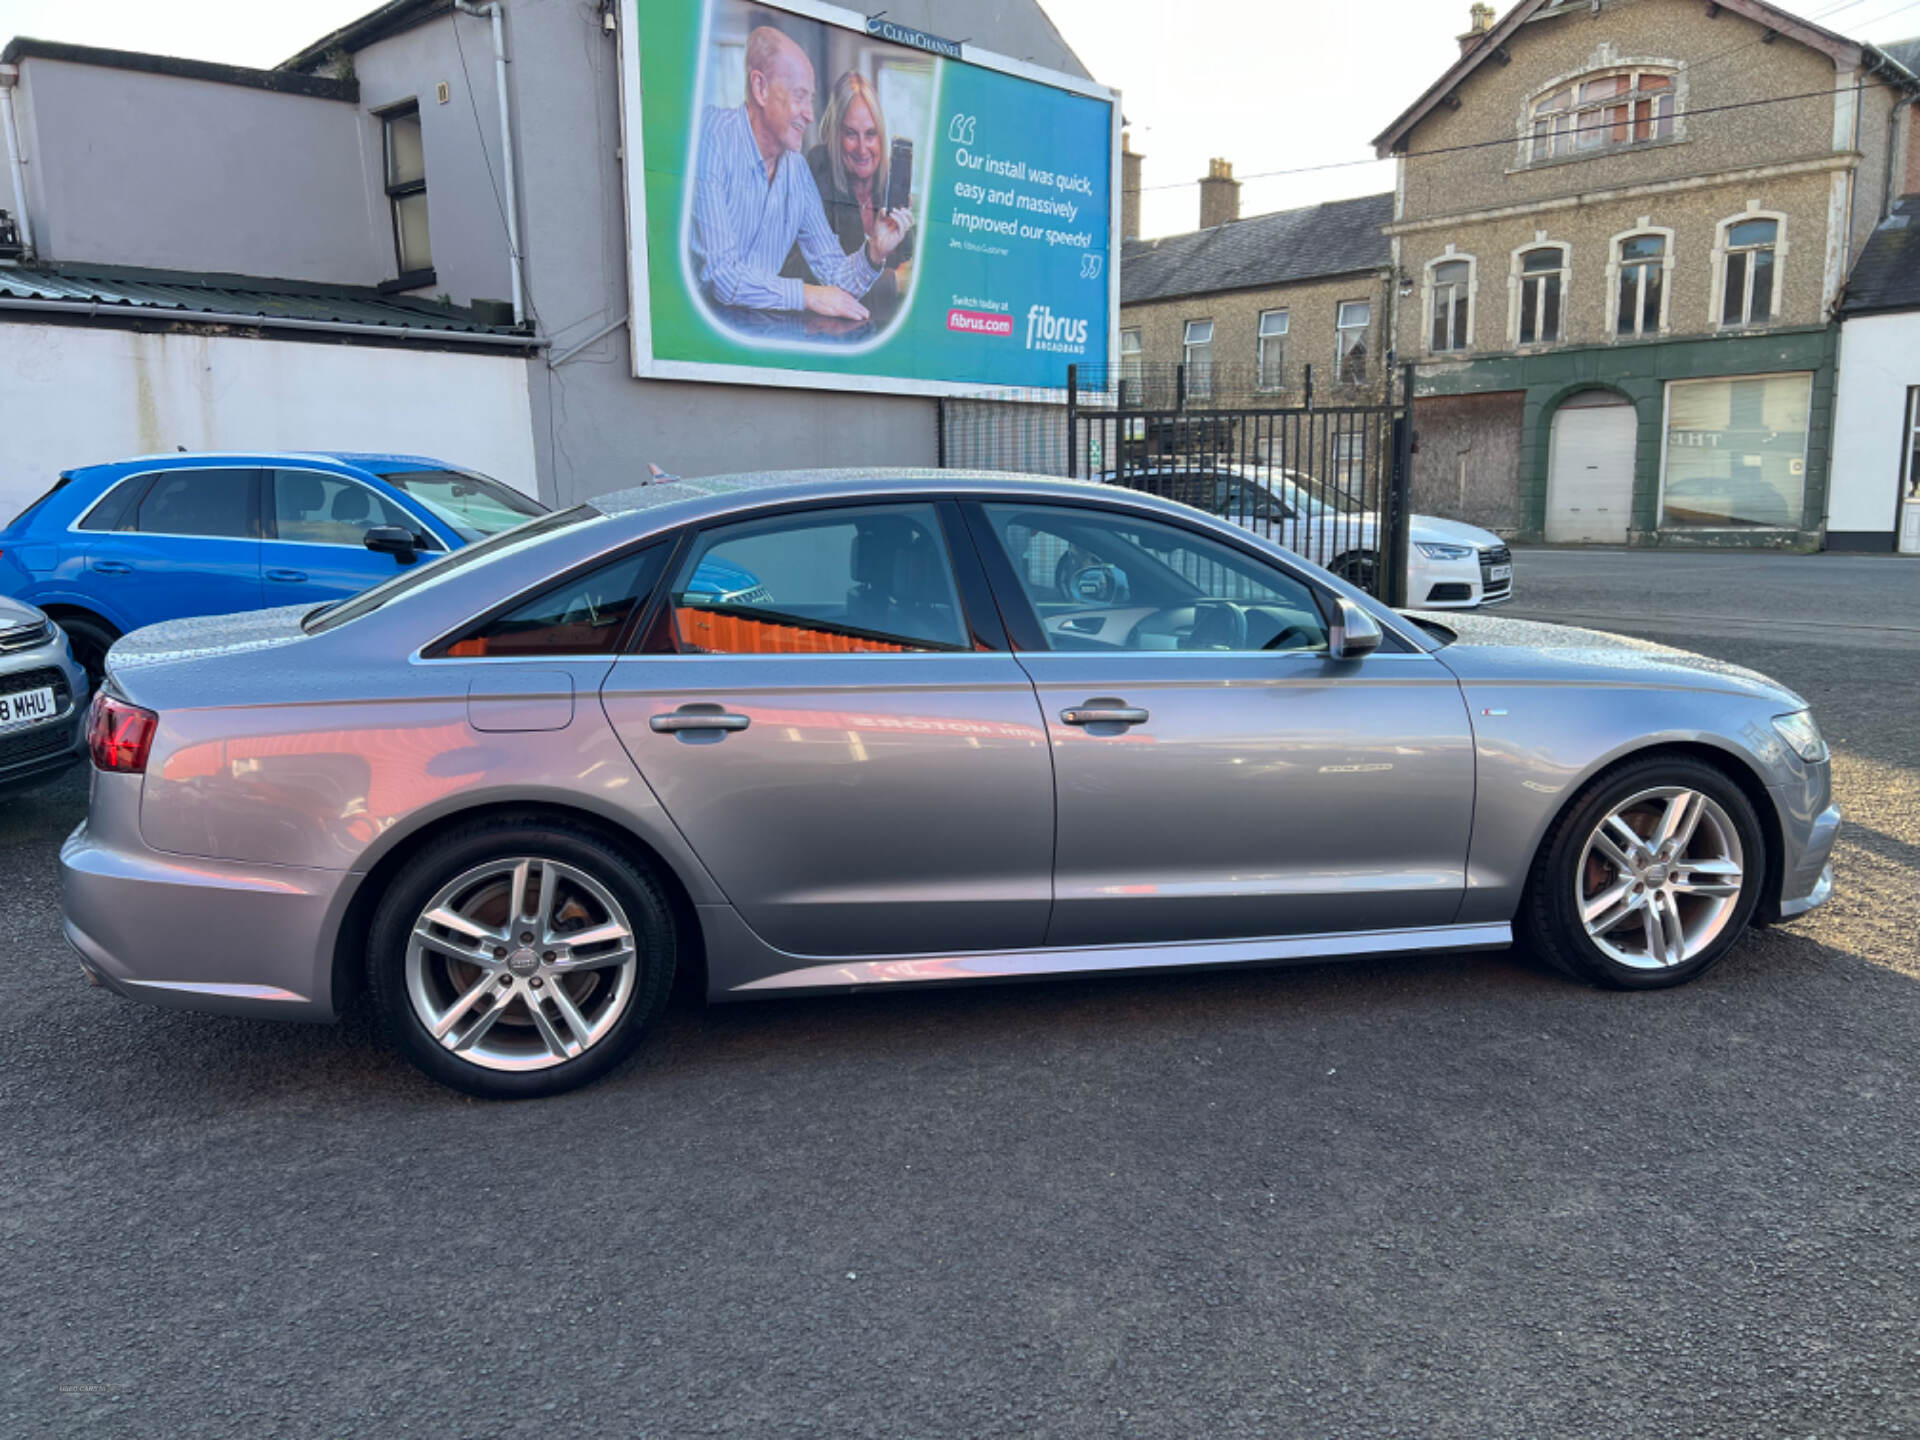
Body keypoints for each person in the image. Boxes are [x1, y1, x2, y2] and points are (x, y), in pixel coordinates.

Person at [690, 26, 913, 321]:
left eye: (811, 99)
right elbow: (720, 276)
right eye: (800, 97)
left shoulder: (796, 170)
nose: (810, 114)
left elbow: (834, 275)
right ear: (760, 88)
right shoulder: (709, 138)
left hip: (754, 338)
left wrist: (873, 252)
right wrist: (809, 295)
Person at [782, 71, 914, 303]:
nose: (863, 149)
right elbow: (803, 274)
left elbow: (911, 270)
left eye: (871, 134)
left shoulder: (889, 183)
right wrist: (892, 282)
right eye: (851, 134)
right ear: (836, 134)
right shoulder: (816, 170)